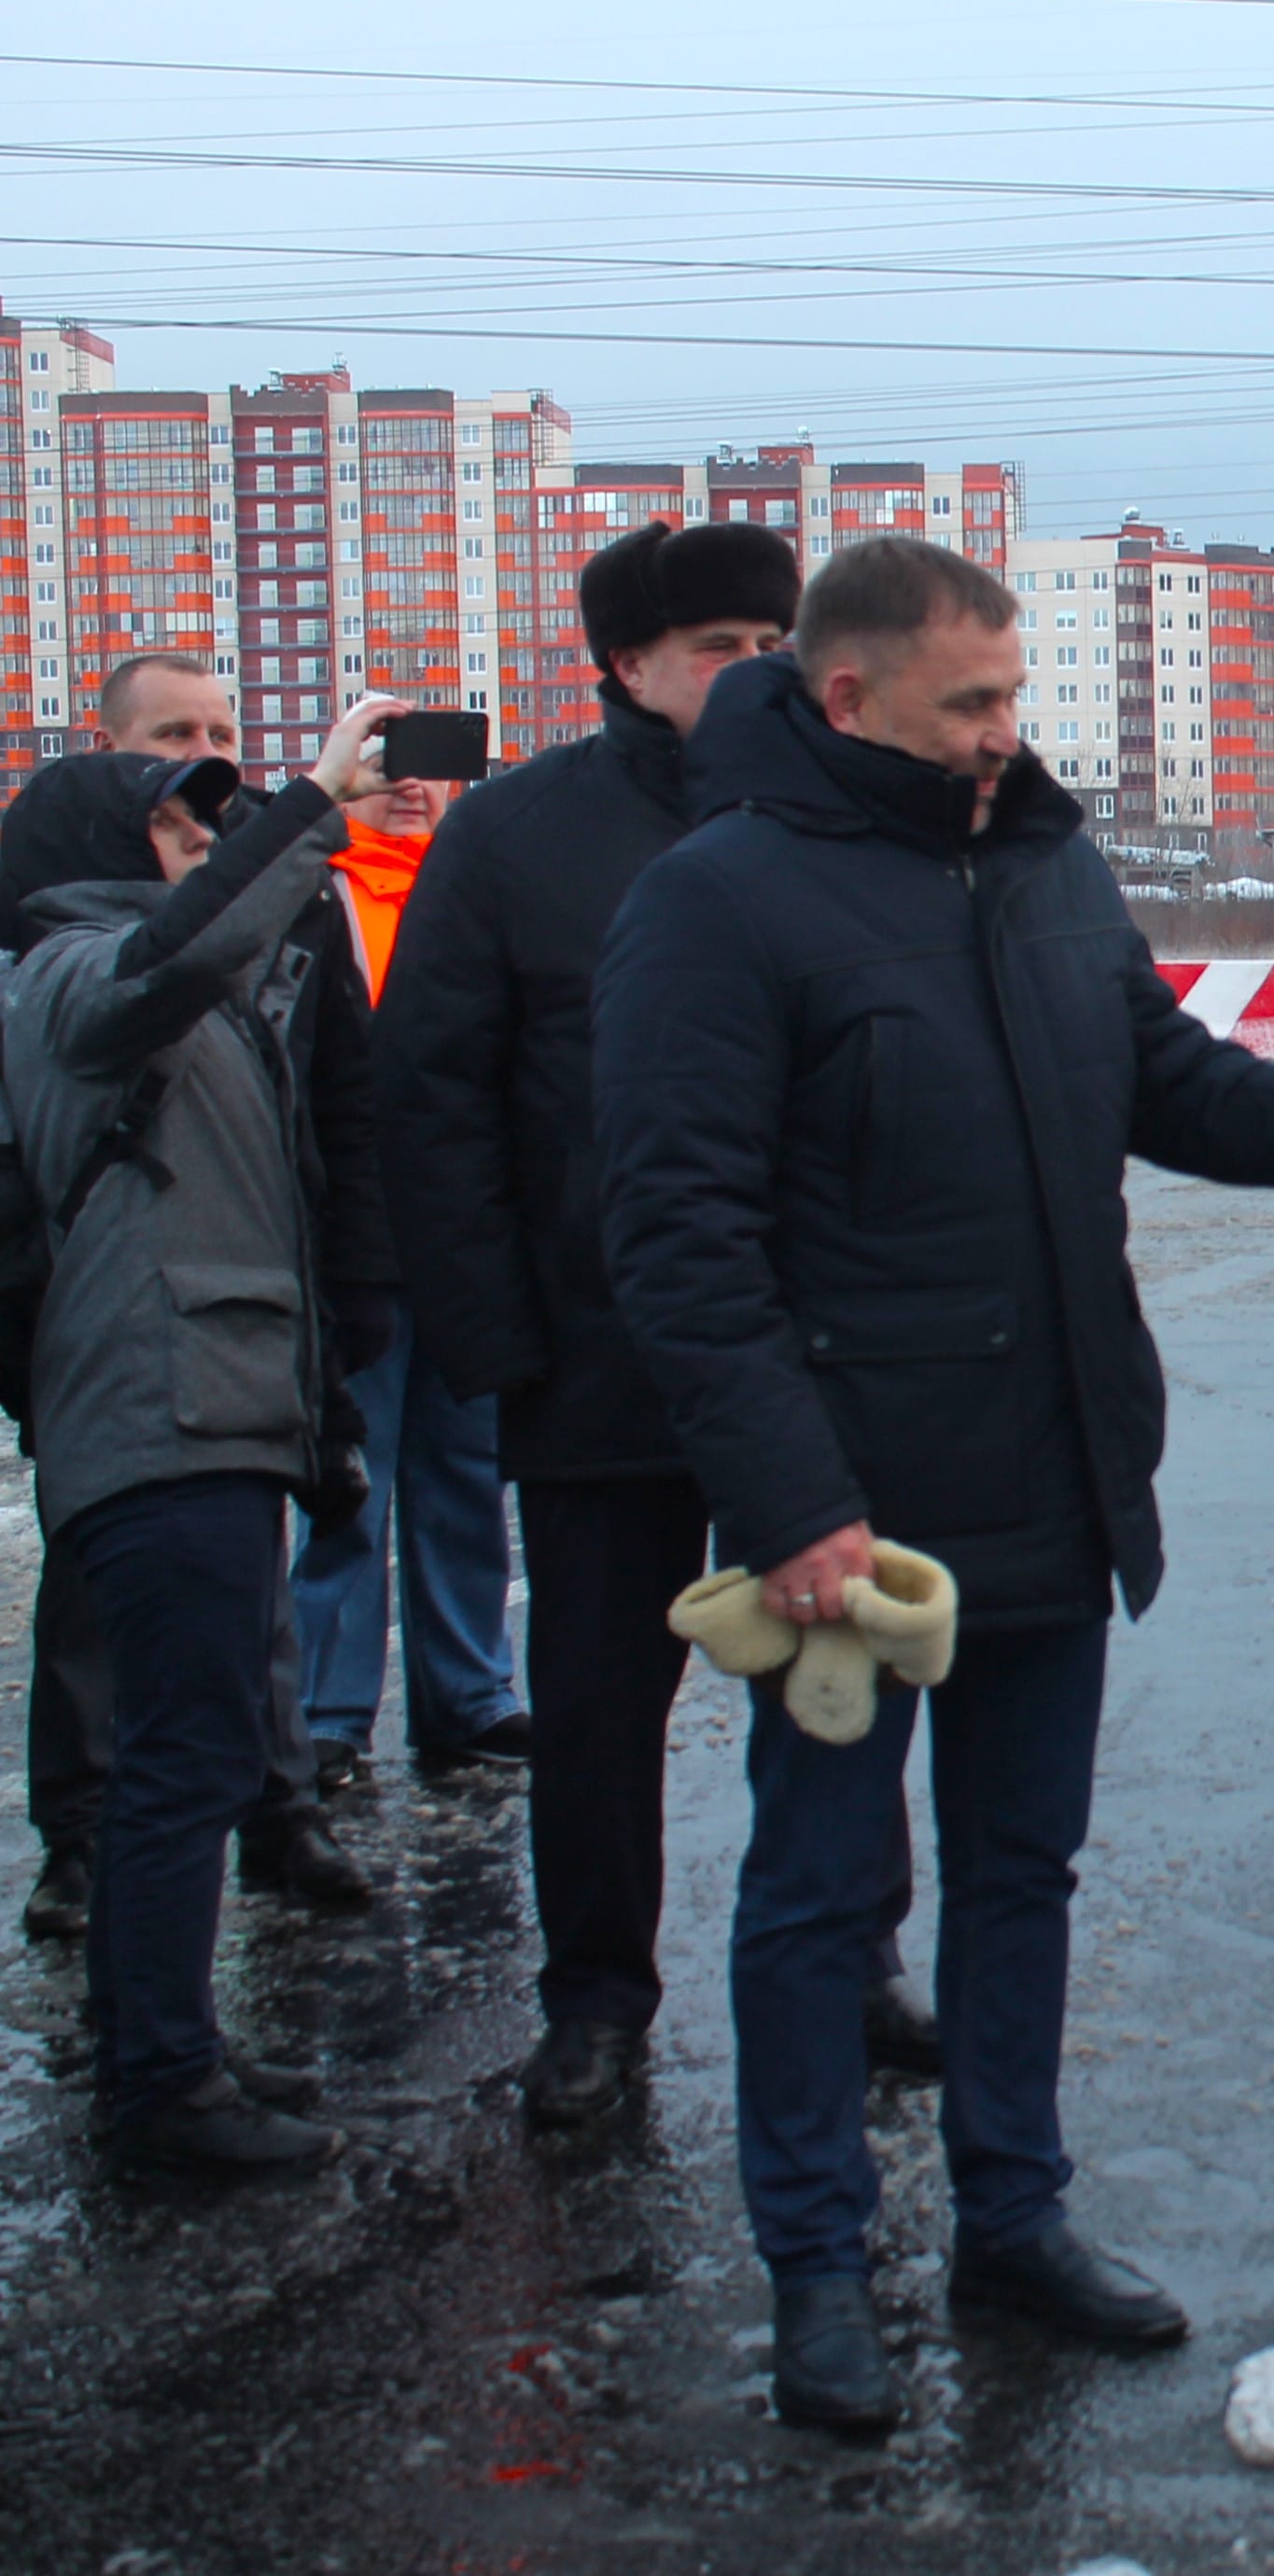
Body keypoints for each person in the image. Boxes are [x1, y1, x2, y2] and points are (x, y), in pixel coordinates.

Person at [591, 536, 1274, 2434]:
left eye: (1016, 694)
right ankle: (818, 2265)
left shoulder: (1047, 867)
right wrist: (791, 1502)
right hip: (855, 1524)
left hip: (1058, 1478)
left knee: (1021, 1874)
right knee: (818, 1897)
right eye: (973, 701)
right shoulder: (716, 900)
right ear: (847, 696)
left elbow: (1190, 1090)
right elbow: (679, 1237)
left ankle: (1014, 2215)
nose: (1009, 731)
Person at [376, 520, 942, 2134]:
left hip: (813, 1359)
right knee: (599, 1705)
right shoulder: (515, 836)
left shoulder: (848, 810)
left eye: (775, 642)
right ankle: (595, 2005)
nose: (757, 671)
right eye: (718, 649)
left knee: (831, 1684)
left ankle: (851, 1964)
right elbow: (433, 1101)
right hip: (597, 1355)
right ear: (627, 667)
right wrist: (498, 1341)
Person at [1, 699, 408, 2173]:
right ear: (94, 852)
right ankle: (163, 2089)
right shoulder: (73, 971)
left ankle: (160, 2042)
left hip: (204, 1406)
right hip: (157, 1411)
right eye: (175, 821)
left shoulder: (176, 982)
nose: (200, 843)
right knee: (181, 1759)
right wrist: (310, 808)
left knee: (195, 1744)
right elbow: (177, 957)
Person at [294, 761, 526, 1786]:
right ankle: (328, 1713)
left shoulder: (479, 895)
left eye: (430, 769)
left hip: (467, 1238)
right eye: (386, 769)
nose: (410, 790)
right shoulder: (316, 898)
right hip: (358, 1243)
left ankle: (471, 1695)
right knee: (349, 1481)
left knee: (467, 1477)